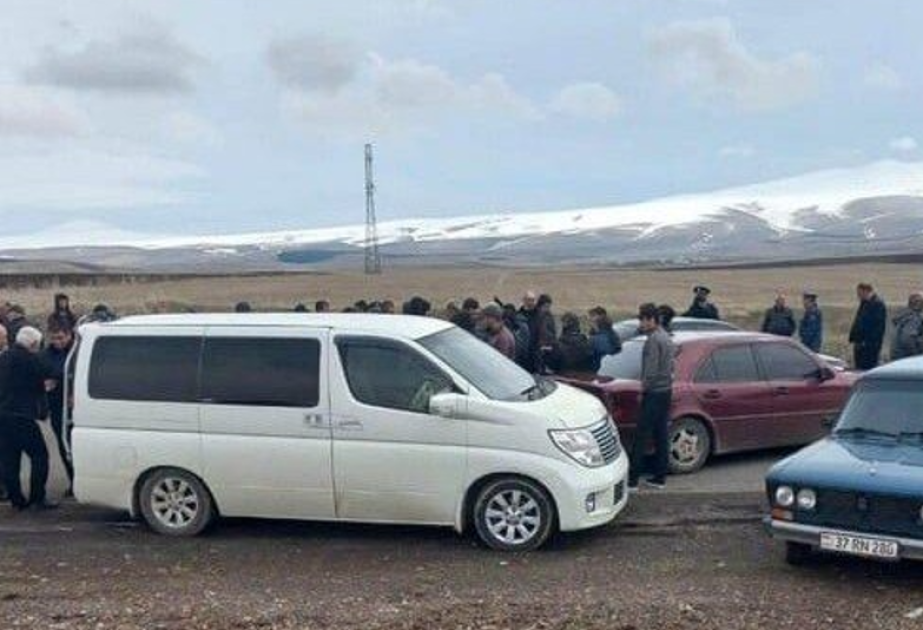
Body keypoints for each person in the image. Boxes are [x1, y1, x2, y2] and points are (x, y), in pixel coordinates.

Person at [0, 327, 54, 510]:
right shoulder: (31, 360)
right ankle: (37, 497)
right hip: (22, 416)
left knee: (10, 460)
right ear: (33, 344)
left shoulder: (4, 357)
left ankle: (16, 500)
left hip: (3, 415)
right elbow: (48, 374)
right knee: (40, 456)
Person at [629, 303, 675, 491]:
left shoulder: (653, 340)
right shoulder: (666, 337)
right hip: (666, 390)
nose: (641, 324)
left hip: (654, 392)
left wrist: (643, 389)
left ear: (651, 320)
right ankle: (659, 477)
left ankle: (632, 480)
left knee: (641, 436)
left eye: (642, 320)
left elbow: (651, 370)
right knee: (661, 434)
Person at [41, 325, 75, 489]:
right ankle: (71, 479)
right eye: (54, 338)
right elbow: (41, 373)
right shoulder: (46, 355)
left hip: (76, 406)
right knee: (63, 444)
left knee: (77, 444)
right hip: (57, 405)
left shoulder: (76, 351)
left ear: (69, 335)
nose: (57, 342)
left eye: (61, 338)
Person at [848, 283, 888, 370]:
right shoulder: (864, 303)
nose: (858, 296)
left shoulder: (877, 304)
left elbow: (878, 327)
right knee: (859, 368)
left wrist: (867, 342)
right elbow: (859, 321)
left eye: (859, 293)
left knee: (867, 368)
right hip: (860, 344)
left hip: (869, 346)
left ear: (866, 291)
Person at [891, 293, 923, 361]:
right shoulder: (914, 318)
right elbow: (907, 338)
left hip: (897, 356)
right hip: (906, 357)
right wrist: (916, 355)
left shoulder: (904, 316)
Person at [588, 307, 621, 371]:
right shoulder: (611, 333)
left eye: (592, 317)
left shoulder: (599, 338)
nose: (590, 321)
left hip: (601, 370)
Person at [534, 294, 557, 374]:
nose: (547, 308)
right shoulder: (535, 315)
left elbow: (552, 330)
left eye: (549, 306)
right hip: (537, 345)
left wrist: (552, 342)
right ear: (540, 305)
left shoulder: (549, 316)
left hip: (547, 345)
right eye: (546, 306)